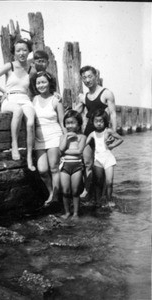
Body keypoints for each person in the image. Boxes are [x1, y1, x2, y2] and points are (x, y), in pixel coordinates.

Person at [0, 38, 36, 171]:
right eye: (18, 50)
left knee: (30, 123)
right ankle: (14, 145)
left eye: (25, 50)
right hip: (10, 99)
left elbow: (37, 89)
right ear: (14, 53)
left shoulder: (32, 70)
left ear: (29, 52)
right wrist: (4, 91)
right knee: (17, 111)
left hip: (25, 98)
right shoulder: (10, 66)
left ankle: (30, 157)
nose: (22, 53)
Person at [75, 65, 117, 198]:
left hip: (103, 134)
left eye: (90, 76)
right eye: (84, 78)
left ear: (96, 76)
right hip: (89, 133)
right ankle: (88, 190)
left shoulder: (106, 93)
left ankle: (104, 194)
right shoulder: (83, 96)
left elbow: (114, 114)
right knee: (88, 163)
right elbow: (75, 113)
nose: (87, 80)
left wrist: (112, 134)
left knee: (103, 164)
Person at [32, 71, 66, 207]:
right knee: (42, 170)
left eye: (44, 82)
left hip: (54, 136)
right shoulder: (33, 99)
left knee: (53, 167)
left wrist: (65, 139)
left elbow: (63, 122)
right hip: (39, 138)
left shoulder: (56, 100)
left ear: (49, 83)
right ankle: (51, 191)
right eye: (38, 82)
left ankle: (54, 196)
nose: (41, 85)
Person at [85, 109, 123, 207]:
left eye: (101, 121)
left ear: (105, 121)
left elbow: (121, 139)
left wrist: (112, 146)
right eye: (96, 121)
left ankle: (109, 200)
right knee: (98, 182)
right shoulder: (92, 134)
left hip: (108, 159)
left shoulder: (108, 131)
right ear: (93, 122)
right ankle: (98, 201)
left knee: (109, 182)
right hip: (98, 159)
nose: (98, 123)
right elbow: (84, 144)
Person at [59, 110, 86, 221]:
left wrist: (66, 151)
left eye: (72, 123)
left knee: (75, 191)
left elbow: (79, 151)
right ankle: (66, 212)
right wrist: (66, 137)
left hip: (77, 166)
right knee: (65, 191)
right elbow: (61, 149)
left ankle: (75, 213)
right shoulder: (63, 137)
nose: (69, 125)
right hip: (65, 166)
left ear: (79, 124)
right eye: (67, 123)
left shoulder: (82, 137)